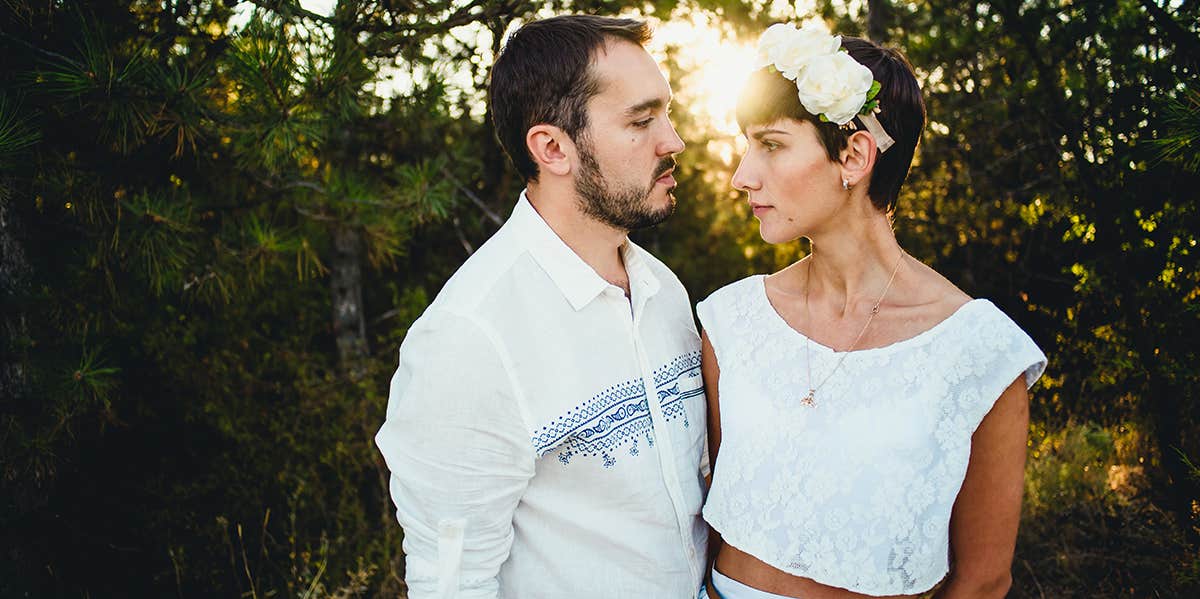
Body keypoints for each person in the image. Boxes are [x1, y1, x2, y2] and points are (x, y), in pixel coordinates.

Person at [695, 22, 1047, 599]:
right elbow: (705, 520)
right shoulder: (731, 322)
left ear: (854, 155)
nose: (742, 176)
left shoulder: (981, 353)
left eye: (773, 145)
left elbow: (983, 580)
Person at [374, 15, 709, 599]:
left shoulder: (664, 290)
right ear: (553, 147)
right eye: (641, 120)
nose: (673, 141)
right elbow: (451, 584)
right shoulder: (469, 338)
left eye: (667, 113)